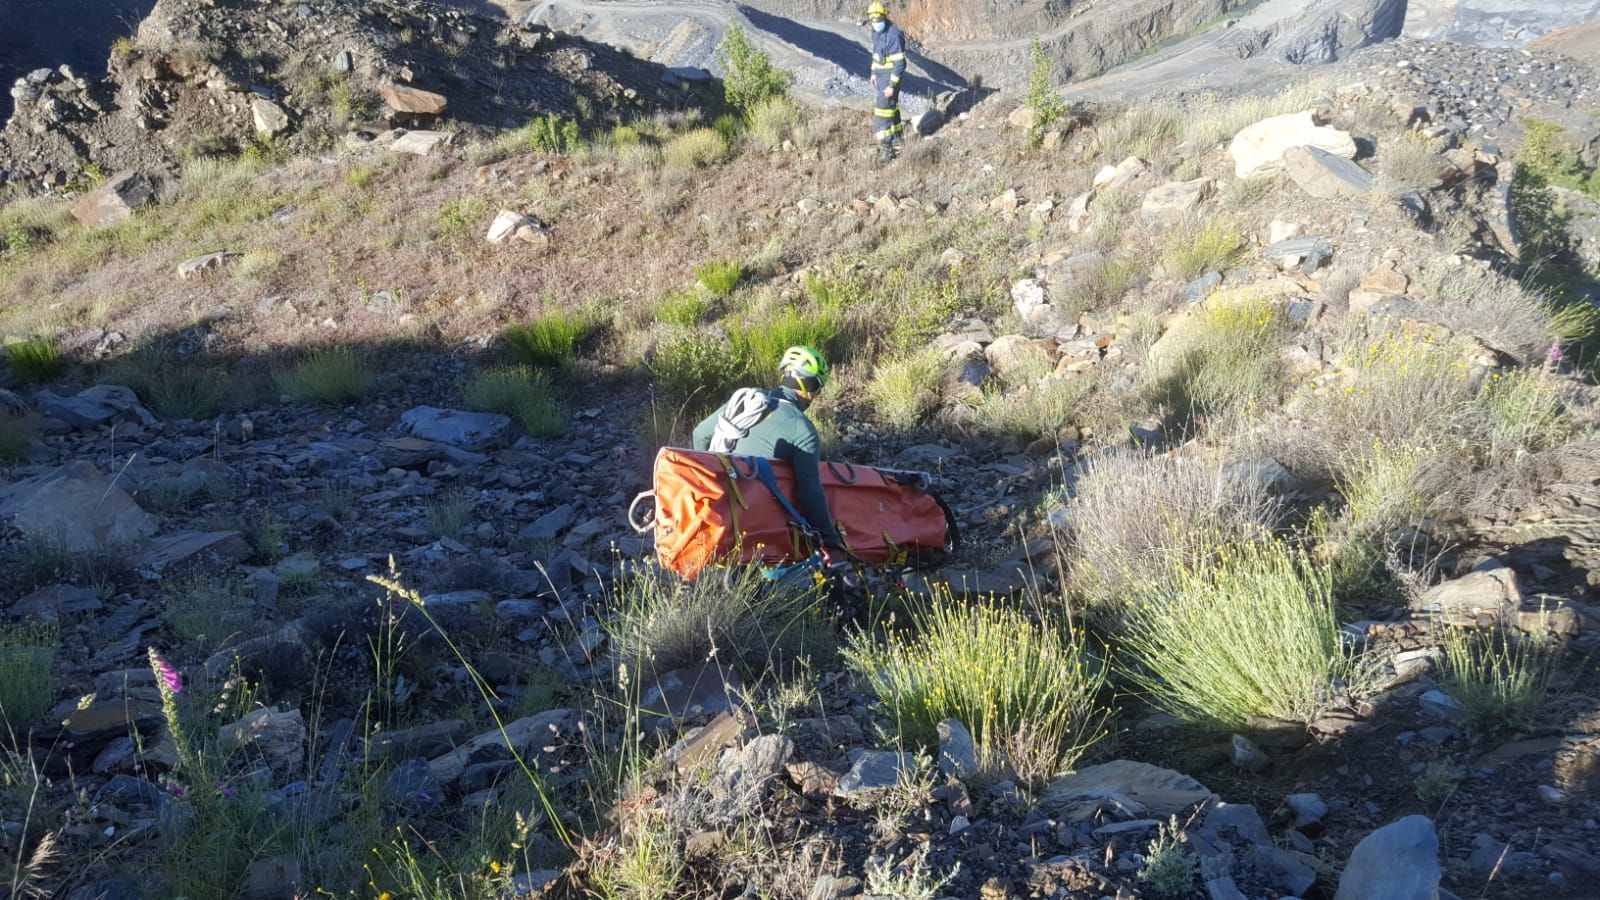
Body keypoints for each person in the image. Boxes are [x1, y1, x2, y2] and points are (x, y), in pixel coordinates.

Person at [692, 345, 845, 562]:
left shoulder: (744, 402)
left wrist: (714, 480)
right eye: (816, 387)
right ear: (808, 386)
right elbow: (810, 493)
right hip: (761, 527)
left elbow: (700, 434)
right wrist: (830, 541)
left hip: (717, 513)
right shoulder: (802, 429)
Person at [866, 1, 906, 164]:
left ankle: (887, 150)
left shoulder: (893, 35)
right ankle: (897, 141)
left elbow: (900, 64)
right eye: (873, 21)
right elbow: (877, 55)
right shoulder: (876, 33)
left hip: (890, 80)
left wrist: (891, 86)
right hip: (881, 77)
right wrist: (874, 72)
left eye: (878, 19)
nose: (876, 23)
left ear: (885, 16)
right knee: (892, 110)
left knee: (881, 115)